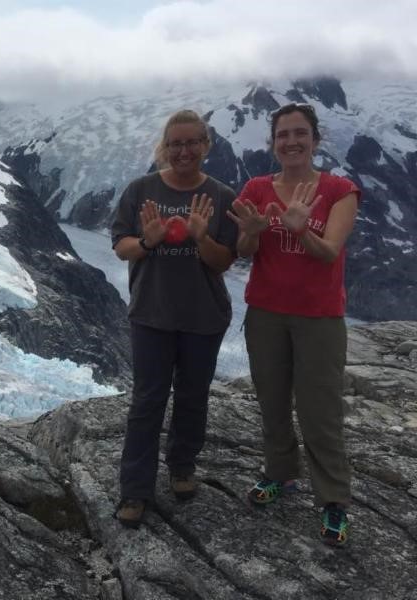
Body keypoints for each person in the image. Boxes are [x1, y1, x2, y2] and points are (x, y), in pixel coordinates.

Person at [227, 102, 360, 546]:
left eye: (300, 133)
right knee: (272, 401)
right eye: (283, 135)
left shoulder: (340, 190)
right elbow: (245, 251)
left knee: (320, 411)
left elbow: (329, 252)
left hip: (319, 317)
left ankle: (333, 500)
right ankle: (279, 473)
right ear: (273, 142)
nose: (292, 142)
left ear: (316, 140)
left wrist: (302, 229)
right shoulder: (257, 187)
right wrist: (250, 231)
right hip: (266, 313)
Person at [111, 109, 238, 527]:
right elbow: (122, 247)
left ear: (206, 145)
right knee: (147, 401)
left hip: (204, 315)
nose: (184, 151)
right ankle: (135, 489)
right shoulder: (141, 190)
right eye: (176, 143)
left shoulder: (222, 196)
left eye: (192, 142)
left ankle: (182, 466)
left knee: (192, 396)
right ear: (165, 147)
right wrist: (148, 239)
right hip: (152, 312)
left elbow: (223, 262)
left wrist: (202, 237)